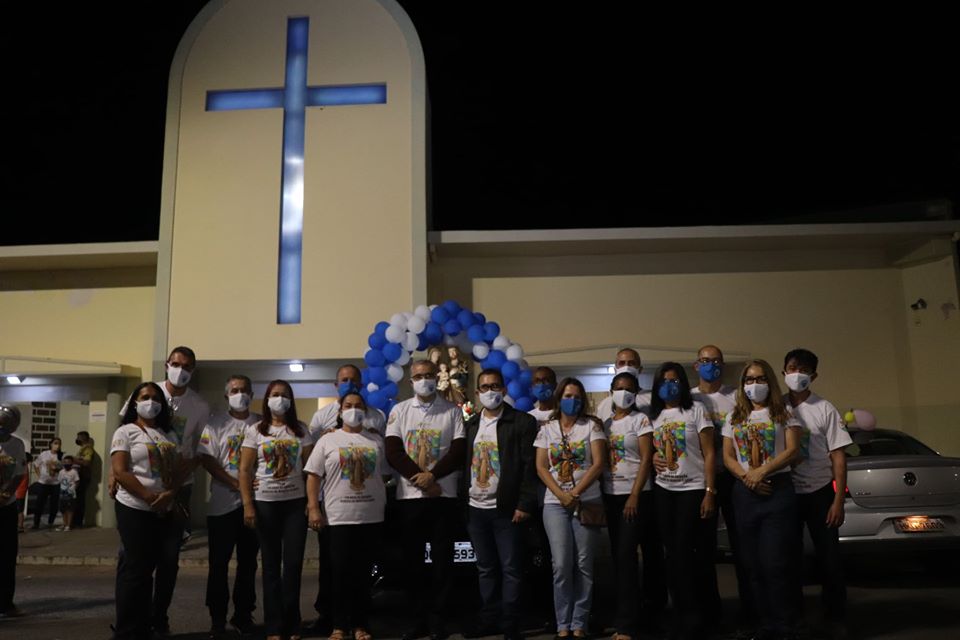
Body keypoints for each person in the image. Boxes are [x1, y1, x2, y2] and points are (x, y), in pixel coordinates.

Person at [384, 359, 466, 640]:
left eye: (429, 375)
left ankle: (438, 619)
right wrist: (420, 479)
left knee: (443, 562)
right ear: (411, 382)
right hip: (410, 497)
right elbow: (393, 452)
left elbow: (458, 451)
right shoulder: (400, 411)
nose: (424, 380)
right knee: (413, 561)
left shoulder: (452, 411)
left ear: (436, 378)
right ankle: (417, 618)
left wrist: (433, 477)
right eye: (418, 376)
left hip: (444, 495)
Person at [722, 359, 802, 640]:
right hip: (745, 492)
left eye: (760, 379)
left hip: (776, 490)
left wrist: (762, 472)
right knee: (752, 565)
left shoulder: (784, 412)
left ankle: (784, 626)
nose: (754, 385)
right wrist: (748, 478)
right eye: (749, 380)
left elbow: (792, 450)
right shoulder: (734, 417)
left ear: (770, 382)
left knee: (775, 563)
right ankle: (764, 625)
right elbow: (728, 456)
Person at [307, 364, 386, 634]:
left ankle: (361, 624)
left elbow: (385, 472)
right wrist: (313, 508)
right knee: (337, 572)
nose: (354, 409)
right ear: (340, 411)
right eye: (348, 406)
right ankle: (338, 625)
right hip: (337, 516)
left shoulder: (375, 438)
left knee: (363, 574)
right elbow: (313, 475)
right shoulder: (326, 438)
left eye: (358, 406)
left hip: (369, 516)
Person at [461, 369, 538, 640]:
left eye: (495, 386)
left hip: (507, 509)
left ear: (504, 390)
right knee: (485, 568)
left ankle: (510, 624)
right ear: (477, 392)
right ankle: (489, 619)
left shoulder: (522, 422)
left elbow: (529, 467)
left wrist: (525, 503)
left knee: (511, 568)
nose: (490, 391)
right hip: (475, 508)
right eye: (484, 387)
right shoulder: (471, 425)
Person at [641, 362, 716, 640]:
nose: (669, 385)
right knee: (671, 555)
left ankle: (696, 616)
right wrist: (653, 457)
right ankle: (679, 613)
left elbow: (709, 453)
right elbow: (648, 450)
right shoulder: (654, 416)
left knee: (687, 553)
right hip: (664, 490)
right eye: (664, 381)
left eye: (674, 380)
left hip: (692, 489)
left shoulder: (696, 410)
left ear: (682, 384)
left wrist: (710, 491)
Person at [111, 382, 188, 639]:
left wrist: (169, 495)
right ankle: (126, 630)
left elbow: (177, 471)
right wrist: (149, 497)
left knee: (157, 568)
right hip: (135, 508)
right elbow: (120, 471)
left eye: (156, 398)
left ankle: (145, 626)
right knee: (136, 570)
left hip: (165, 509)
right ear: (135, 402)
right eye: (145, 397)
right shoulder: (125, 432)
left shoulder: (170, 435)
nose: (151, 402)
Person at [783, 349, 851, 639]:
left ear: (814, 375)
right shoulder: (776, 407)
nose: (797, 373)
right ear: (784, 372)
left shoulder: (825, 409)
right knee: (788, 557)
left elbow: (838, 457)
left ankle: (835, 617)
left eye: (803, 369)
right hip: (786, 492)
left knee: (829, 558)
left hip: (820, 491)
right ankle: (793, 617)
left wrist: (838, 500)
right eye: (792, 368)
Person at [239, 379, 315, 640]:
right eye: (274, 394)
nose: (279, 399)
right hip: (265, 504)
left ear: (291, 400)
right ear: (266, 399)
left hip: (295, 504)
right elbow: (245, 470)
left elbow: (310, 470)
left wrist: (312, 504)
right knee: (270, 566)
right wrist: (248, 505)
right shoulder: (256, 431)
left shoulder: (301, 430)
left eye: (284, 395)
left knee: (292, 565)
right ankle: (273, 625)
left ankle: (292, 622)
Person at [535, 377, 607, 640]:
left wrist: (575, 494)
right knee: (561, 565)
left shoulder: (591, 426)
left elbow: (598, 463)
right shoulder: (547, 429)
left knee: (584, 564)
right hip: (555, 504)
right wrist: (561, 494)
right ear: (559, 398)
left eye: (577, 397)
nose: (572, 401)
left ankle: (579, 624)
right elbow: (541, 466)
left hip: (586, 502)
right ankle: (562, 625)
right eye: (567, 396)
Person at [199, 375, 261, 638]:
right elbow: (208, 461)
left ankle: (243, 615)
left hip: (254, 506)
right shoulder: (215, 424)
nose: (240, 394)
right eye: (235, 390)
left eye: (244, 390)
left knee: (248, 564)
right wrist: (237, 484)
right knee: (219, 565)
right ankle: (217, 618)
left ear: (252, 394)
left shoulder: (261, 423)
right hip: (222, 506)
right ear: (227, 395)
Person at [601, 372, 655, 640]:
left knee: (626, 556)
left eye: (630, 389)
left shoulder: (640, 420)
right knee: (619, 558)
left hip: (635, 495)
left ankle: (628, 625)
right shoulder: (606, 423)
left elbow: (646, 459)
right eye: (620, 388)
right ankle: (625, 616)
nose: (624, 393)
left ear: (636, 393)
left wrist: (634, 495)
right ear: (611, 391)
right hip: (610, 494)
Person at [689, 345, 738, 629]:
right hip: (701, 479)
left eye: (717, 361)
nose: (712, 365)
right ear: (697, 365)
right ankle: (710, 614)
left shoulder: (735, 397)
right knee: (704, 549)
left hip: (733, 476)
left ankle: (750, 610)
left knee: (741, 544)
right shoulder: (690, 399)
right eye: (706, 361)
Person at [308, 364, 387, 438]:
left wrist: (377, 437)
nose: (349, 384)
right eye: (345, 380)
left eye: (353, 380)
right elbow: (312, 443)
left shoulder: (376, 416)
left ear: (360, 386)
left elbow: (384, 443)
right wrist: (323, 437)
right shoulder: (321, 415)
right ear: (336, 385)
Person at [1, 404, 27, 618]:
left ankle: (5, 603)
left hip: (6, 506)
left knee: (7, 556)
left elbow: (19, 472)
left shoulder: (17, 445)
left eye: (6, 426)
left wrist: (6, 494)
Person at [596, 348, 652, 421]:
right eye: (622, 363)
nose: (626, 367)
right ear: (615, 370)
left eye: (631, 363)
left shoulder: (651, 399)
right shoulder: (604, 405)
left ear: (640, 369)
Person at [33, 437, 63, 530]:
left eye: (59, 444)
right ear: (51, 444)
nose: (57, 446)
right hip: (44, 483)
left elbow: (63, 468)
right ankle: (36, 523)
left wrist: (56, 468)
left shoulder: (61, 456)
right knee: (39, 504)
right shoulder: (44, 454)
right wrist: (39, 475)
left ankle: (50, 522)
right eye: (55, 443)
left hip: (55, 483)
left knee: (54, 505)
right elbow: (36, 464)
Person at [74, 431, 96, 528]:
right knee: (77, 499)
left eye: (78, 437)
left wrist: (74, 460)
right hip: (79, 476)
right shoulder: (82, 449)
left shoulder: (88, 449)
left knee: (80, 500)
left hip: (83, 476)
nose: (77, 439)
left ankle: (78, 522)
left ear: (83, 438)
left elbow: (87, 463)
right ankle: (75, 521)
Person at [56, 455, 80, 532]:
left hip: (71, 494)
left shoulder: (74, 472)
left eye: (68, 462)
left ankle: (68, 525)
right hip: (62, 493)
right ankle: (64, 523)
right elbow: (59, 481)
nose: (66, 464)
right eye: (65, 462)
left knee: (70, 509)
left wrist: (73, 489)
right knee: (63, 510)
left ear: (72, 463)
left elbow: (77, 481)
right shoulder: (61, 472)